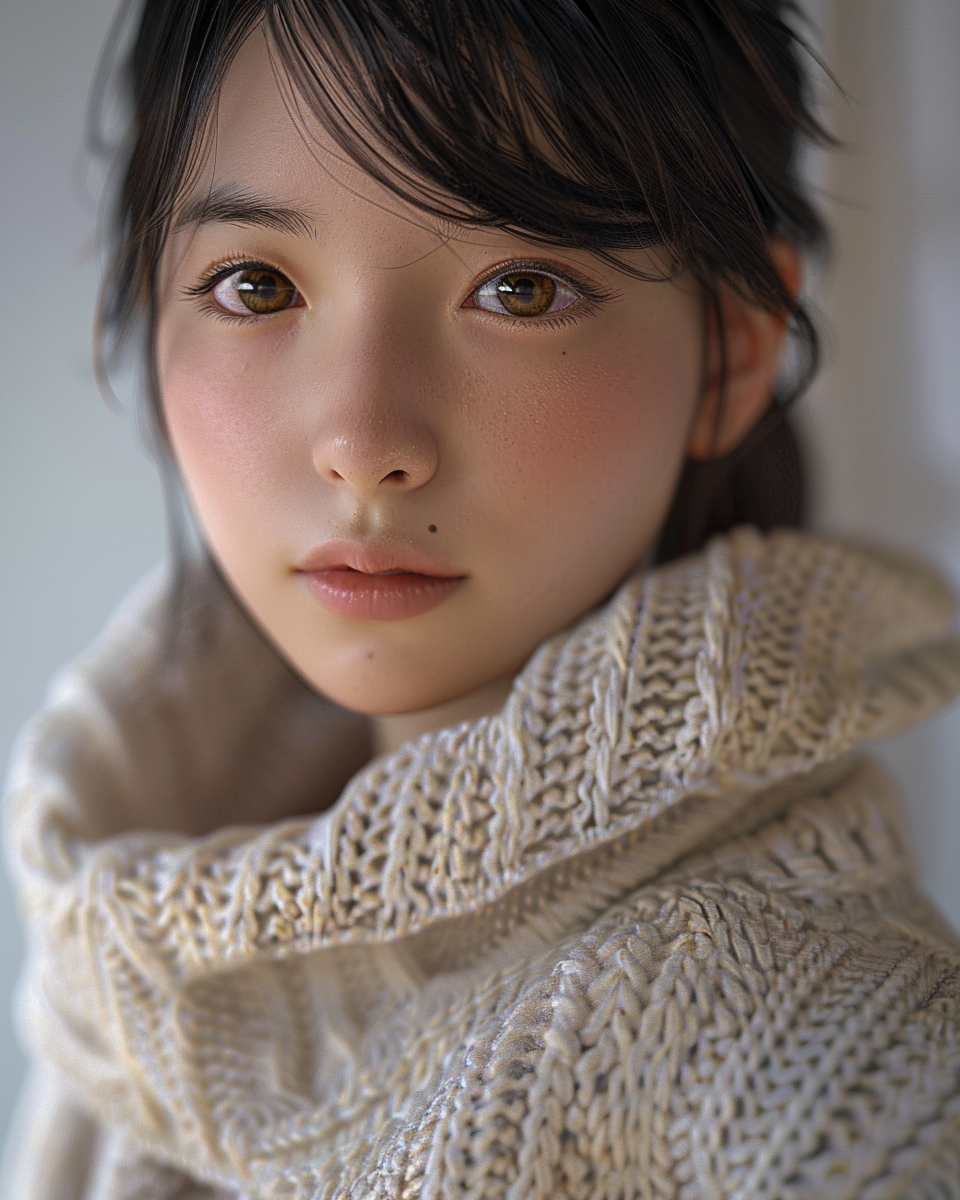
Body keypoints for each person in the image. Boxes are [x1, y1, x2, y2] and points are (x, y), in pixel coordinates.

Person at [3, 0, 959, 1196]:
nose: (364, 441)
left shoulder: (828, 1069)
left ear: (729, 352)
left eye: (519, 290)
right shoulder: (120, 964)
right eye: (255, 285)